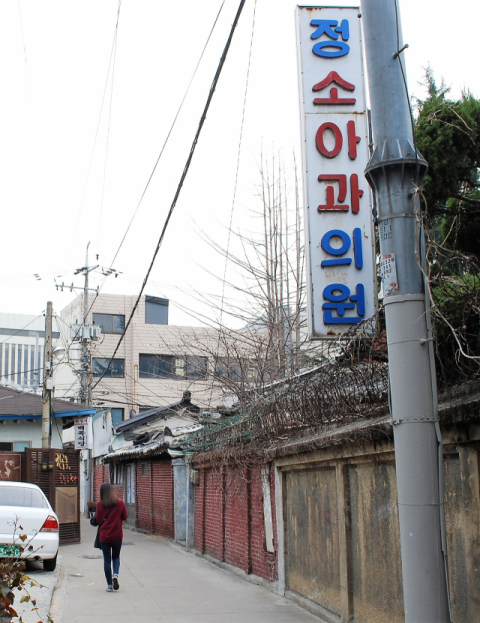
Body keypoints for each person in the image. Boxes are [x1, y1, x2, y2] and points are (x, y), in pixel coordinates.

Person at [95, 482, 128, 592]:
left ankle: (109, 585)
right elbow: (125, 516)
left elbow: (99, 520)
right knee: (116, 557)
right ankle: (115, 575)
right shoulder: (120, 503)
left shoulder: (100, 505)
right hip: (117, 535)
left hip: (104, 536)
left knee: (107, 560)